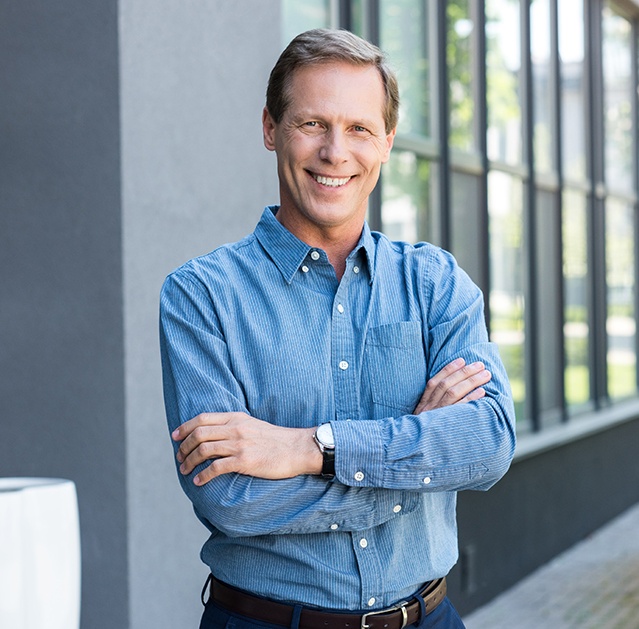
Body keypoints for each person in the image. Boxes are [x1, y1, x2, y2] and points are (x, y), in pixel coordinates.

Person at [160, 28, 516, 629]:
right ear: (271, 128)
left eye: (359, 129)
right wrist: (419, 452)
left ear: (387, 143)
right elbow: (233, 502)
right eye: (312, 124)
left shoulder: (433, 283)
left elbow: (487, 444)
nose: (335, 152)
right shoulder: (201, 296)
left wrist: (306, 449)